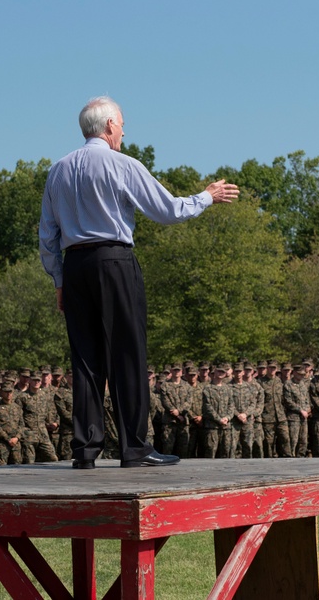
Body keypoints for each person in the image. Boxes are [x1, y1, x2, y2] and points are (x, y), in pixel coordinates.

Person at [39, 96, 239, 469]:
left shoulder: (58, 171)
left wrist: (59, 280)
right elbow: (167, 209)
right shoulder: (121, 165)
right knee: (127, 353)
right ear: (110, 124)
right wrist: (206, 197)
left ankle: (85, 450)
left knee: (84, 359)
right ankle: (134, 447)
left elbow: (47, 234)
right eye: (123, 123)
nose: (125, 131)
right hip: (113, 260)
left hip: (76, 265)